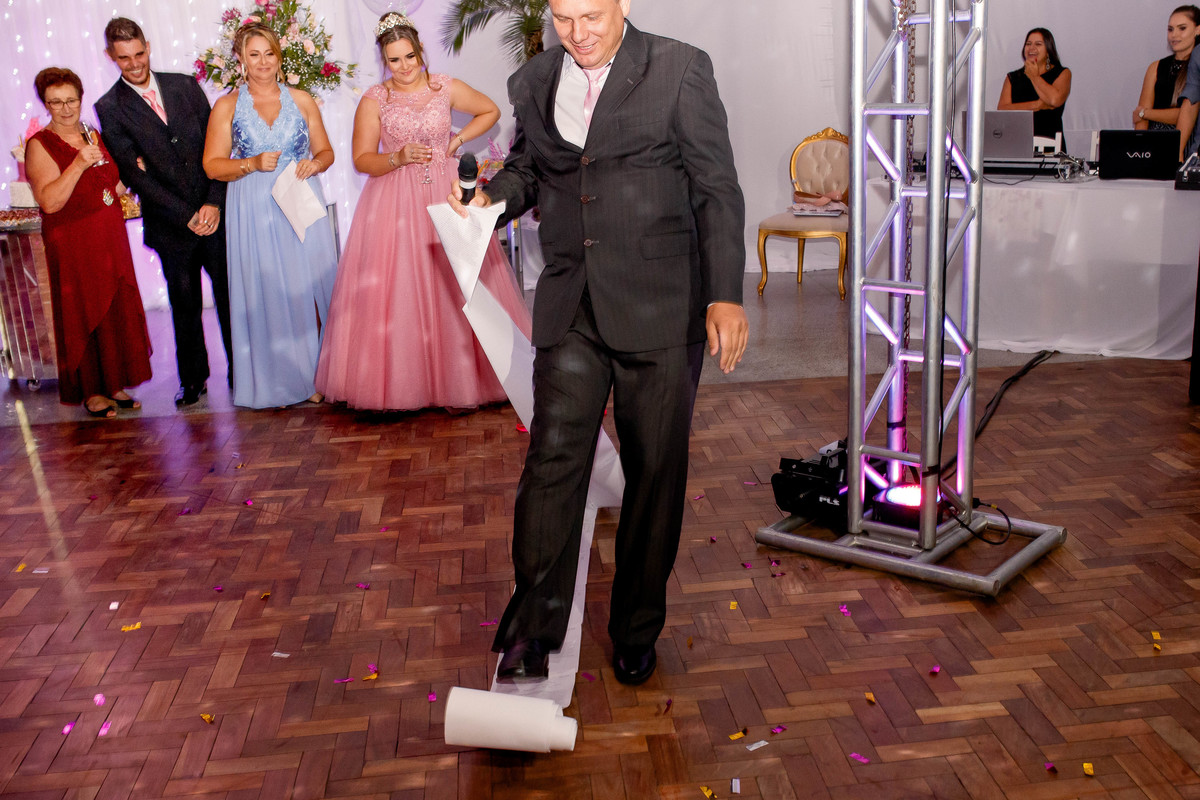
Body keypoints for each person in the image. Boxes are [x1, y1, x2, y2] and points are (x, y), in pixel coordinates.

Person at [450, 0, 748, 685]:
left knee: (654, 471)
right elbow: (530, 169)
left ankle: (636, 627)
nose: (577, 34)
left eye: (591, 16)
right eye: (563, 18)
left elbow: (716, 187)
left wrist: (725, 295)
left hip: (662, 306)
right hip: (573, 304)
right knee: (552, 463)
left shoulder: (679, 69)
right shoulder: (535, 79)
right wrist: (491, 200)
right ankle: (532, 630)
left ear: (624, 4)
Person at [314, 12, 531, 411]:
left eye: (410, 56)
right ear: (384, 60)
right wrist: (396, 157)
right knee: (402, 288)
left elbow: (490, 111)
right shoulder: (375, 99)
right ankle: (406, 384)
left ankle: (462, 380)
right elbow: (362, 159)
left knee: (456, 280)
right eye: (394, 60)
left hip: (445, 192)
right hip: (394, 203)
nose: (404, 67)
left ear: (420, 51)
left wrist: (457, 141)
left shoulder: (444, 87)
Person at [95, 17, 232, 408]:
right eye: (124, 58)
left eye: (139, 53)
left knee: (229, 296)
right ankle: (193, 380)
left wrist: (213, 202)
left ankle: (245, 370)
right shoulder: (109, 107)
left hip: (214, 213)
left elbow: (218, 147)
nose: (135, 63)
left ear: (148, 46)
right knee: (184, 304)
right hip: (170, 225)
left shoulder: (185, 85)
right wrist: (186, 214)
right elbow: (132, 174)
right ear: (110, 56)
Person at [202, 22, 338, 409]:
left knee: (310, 285)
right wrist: (251, 163)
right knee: (268, 291)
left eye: (269, 54)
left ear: (279, 57)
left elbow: (326, 151)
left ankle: (321, 374)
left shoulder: (302, 99)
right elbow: (212, 165)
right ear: (241, 61)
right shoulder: (227, 106)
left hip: (300, 197)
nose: (263, 62)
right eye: (254, 55)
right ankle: (279, 381)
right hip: (252, 205)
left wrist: (316, 164)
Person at [25, 68, 152, 418]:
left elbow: (109, 186)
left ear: (81, 99)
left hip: (109, 235)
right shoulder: (40, 144)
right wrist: (78, 164)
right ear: (45, 104)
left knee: (113, 307)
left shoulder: (91, 133)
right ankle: (92, 391)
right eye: (56, 102)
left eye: (72, 100)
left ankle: (114, 383)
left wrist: (135, 171)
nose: (66, 109)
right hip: (73, 241)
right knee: (84, 309)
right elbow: (50, 201)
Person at [998, 28, 1072, 145]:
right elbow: (1002, 110)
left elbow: (1054, 100)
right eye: (1028, 44)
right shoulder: (1013, 77)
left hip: (1049, 143)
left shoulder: (1062, 73)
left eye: (1038, 44)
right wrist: (1036, 105)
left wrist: (1034, 76)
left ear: (1048, 50)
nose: (1031, 48)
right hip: (1017, 142)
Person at [1133, 6, 1200, 130]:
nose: (1174, 35)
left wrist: (1146, 113)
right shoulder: (1155, 68)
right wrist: (1141, 142)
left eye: (1182, 28)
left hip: (1190, 140)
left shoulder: (1197, 67)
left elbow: (1188, 114)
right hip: (1154, 138)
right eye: (1170, 29)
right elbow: (1140, 119)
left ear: (1197, 30)